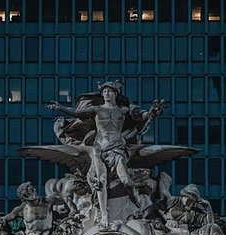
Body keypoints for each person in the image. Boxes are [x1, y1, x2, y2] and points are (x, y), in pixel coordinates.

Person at [47, 83, 164, 224]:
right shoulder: (96, 109)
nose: (106, 94)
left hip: (117, 148)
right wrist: (60, 107)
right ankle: (103, 215)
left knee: (127, 181)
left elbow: (142, 116)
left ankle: (137, 204)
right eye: (104, 91)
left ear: (115, 94)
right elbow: (77, 113)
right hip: (99, 148)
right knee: (100, 182)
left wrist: (152, 112)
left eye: (109, 91)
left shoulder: (123, 110)